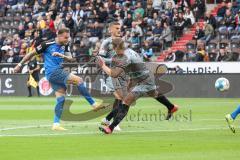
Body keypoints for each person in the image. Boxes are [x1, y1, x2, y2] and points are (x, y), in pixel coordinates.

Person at [13, 28, 103, 131]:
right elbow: (30, 54)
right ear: (59, 35)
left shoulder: (65, 45)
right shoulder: (46, 44)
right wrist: (19, 65)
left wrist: (61, 55)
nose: (67, 39)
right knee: (79, 81)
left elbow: (71, 58)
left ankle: (56, 124)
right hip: (53, 72)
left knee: (61, 99)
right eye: (65, 37)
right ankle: (93, 104)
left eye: (68, 37)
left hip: (54, 74)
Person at [97, 37, 179, 134]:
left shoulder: (126, 57)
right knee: (154, 94)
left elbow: (114, 74)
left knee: (126, 101)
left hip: (143, 81)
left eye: (112, 48)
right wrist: (103, 59)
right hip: (143, 78)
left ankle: (110, 127)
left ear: (115, 48)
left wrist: (102, 65)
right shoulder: (128, 51)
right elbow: (114, 59)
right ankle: (171, 107)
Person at [98, 22, 127, 131]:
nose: (119, 30)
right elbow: (100, 59)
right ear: (110, 30)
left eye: (120, 28)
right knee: (121, 98)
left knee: (119, 98)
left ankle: (108, 120)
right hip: (109, 73)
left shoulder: (122, 41)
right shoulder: (106, 42)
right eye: (117, 28)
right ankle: (111, 121)